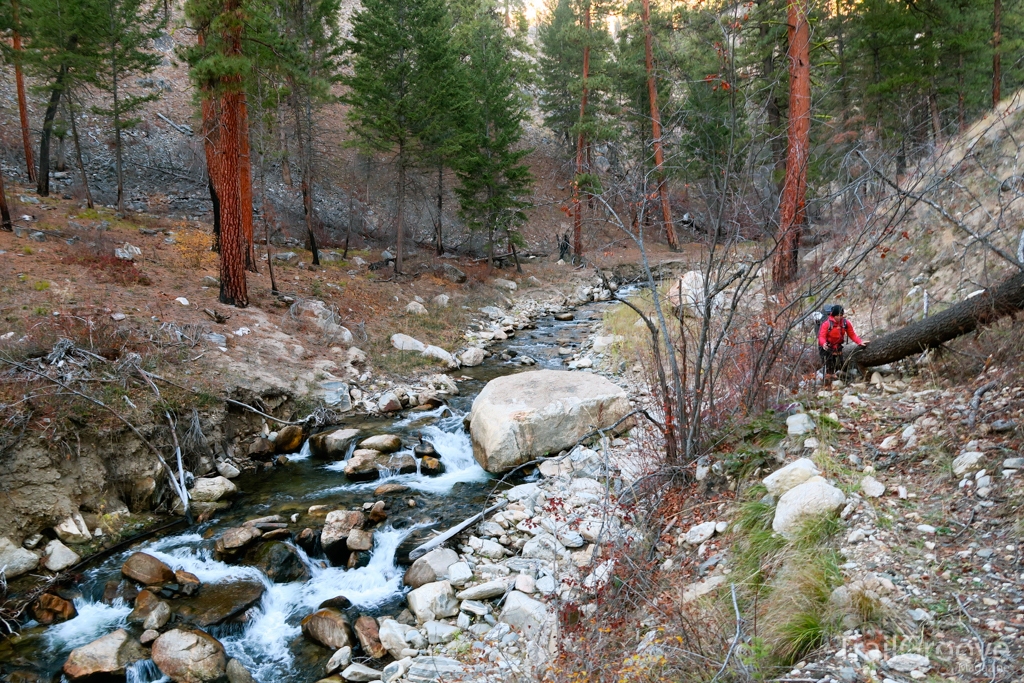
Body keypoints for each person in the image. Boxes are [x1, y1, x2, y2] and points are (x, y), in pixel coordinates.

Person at [817, 305, 868, 380]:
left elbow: (852, 334)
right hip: (826, 347)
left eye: (841, 315)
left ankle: (840, 379)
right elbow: (821, 336)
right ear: (833, 315)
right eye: (837, 315)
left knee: (840, 363)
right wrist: (824, 343)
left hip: (838, 347)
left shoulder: (845, 323)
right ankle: (828, 380)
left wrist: (860, 342)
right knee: (829, 364)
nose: (839, 317)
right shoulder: (826, 324)